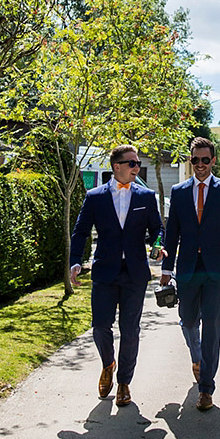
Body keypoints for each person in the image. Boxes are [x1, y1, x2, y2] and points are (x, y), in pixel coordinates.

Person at [70, 145, 163, 408]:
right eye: (131, 163)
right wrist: (75, 261)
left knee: (130, 330)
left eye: (138, 163)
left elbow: (157, 229)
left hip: (135, 273)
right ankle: (108, 363)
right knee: (100, 325)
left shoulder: (146, 196)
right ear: (117, 166)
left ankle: (124, 383)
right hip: (105, 271)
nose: (136, 167)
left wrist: (157, 245)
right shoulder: (95, 197)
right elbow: (80, 232)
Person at [161, 136, 220, 411]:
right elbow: (172, 233)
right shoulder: (178, 191)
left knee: (212, 325)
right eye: (195, 159)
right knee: (187, 321)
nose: (200, 164)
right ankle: (197, 356)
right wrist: (166, 268)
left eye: (205, 159)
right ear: (190, 160)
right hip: (187, 269)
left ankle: (206, 388)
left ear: (213, 160)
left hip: (216, 270)